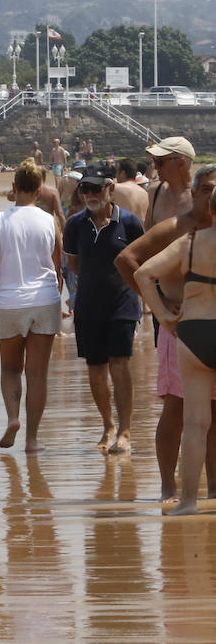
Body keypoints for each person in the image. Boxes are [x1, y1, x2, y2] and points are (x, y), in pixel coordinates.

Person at [116, 164, 216, 501]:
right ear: (195, 192)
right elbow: (127, 260)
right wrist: (159, 306)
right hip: (179, 330)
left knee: (211, 415)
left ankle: (212, 488)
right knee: (175, 409)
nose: (211, 196)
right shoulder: (177, 228)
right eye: (206, 189)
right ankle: (168, 485)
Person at [0, 159, 62, 454]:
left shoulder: (0, 220)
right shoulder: (50, 220)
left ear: (13, 189)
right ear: (40, 190)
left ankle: (13, 418)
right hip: (44, 299)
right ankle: (32, 440)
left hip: (10, 301)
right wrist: (58, 297)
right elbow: (58, 263)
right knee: (37, 374)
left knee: (10, 368)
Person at [64, 162, 144, 454]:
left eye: (96, 188)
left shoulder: (131, 223)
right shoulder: (74, 224)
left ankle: (125, 431)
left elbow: (142, 264)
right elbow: (74, 265)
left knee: (120, 364)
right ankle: (107, 426)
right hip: (88, 304)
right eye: (84, 189)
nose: (90, 194)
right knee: (95, 369)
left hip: (123, 302)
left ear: (110, 189)